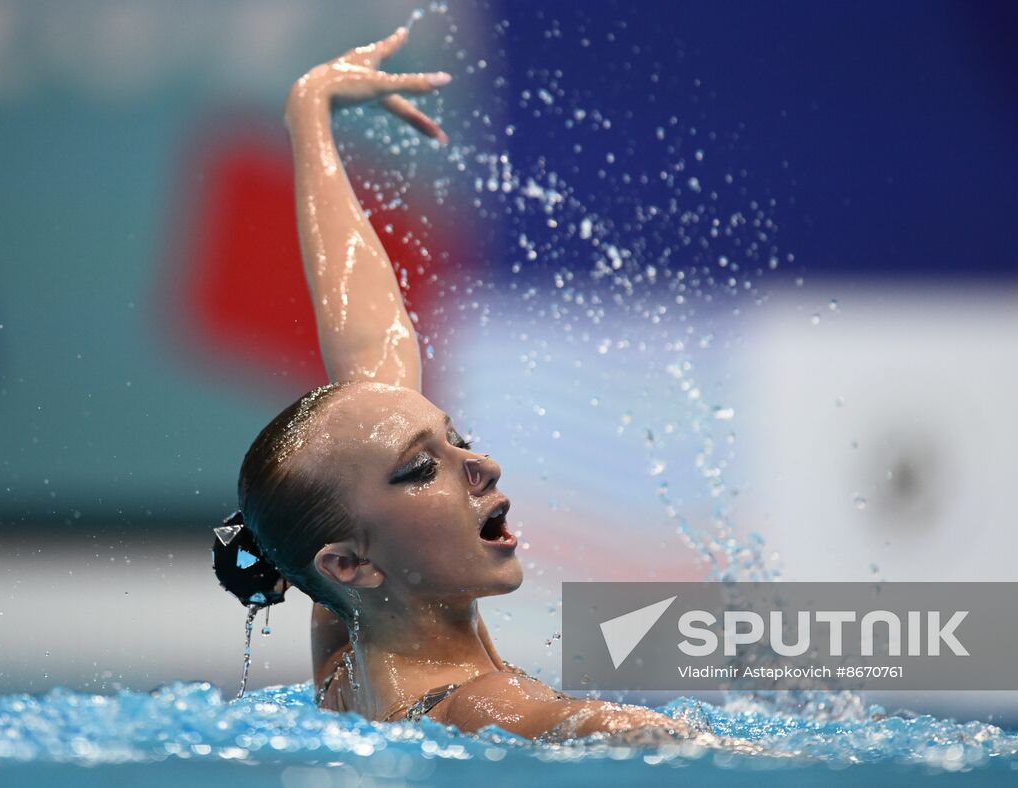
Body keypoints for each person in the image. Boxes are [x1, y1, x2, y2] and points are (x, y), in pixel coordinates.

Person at [212, 25, 734, 745]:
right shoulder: (479, 705)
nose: (479, 463)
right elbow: (610, 729)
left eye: (453, 439)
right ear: (351, 564)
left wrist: (310, 114)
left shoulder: (348, 645)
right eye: (423, 468)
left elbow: (371, 352)